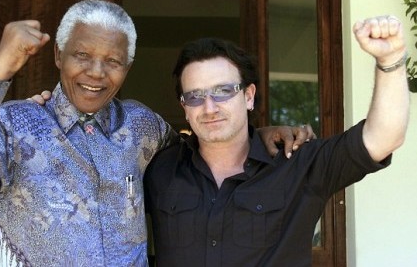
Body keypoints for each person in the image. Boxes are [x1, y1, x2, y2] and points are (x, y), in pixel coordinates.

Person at [0, 0, 312, 266]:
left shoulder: (142, 126)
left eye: (112, 61)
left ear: (128, 67)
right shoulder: (14, 127)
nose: (96, 72)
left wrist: (257, 134)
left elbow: (205, 150)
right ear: (59, 56)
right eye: (82, 55)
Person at [144, 15, 409, 266]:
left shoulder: (299, 164)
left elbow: (382, 138)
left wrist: (391, 59)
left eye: (223, 91)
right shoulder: (160, 169)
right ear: (184, 108)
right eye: (195, 96)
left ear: (248, 96)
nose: (210, 107)